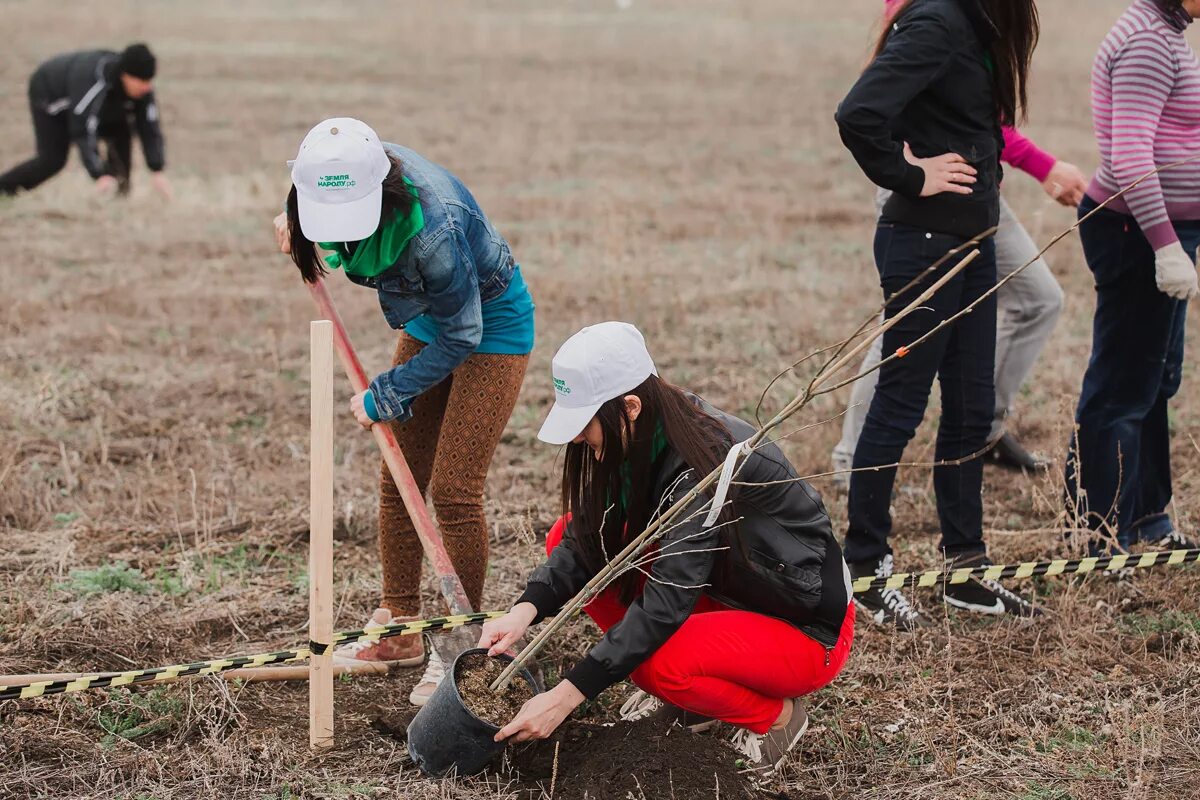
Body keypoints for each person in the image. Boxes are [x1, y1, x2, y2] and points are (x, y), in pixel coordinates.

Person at [477, 322, 854, 776]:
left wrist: (565, 697)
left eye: (584, 423)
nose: (577, 438)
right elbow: (585, 541)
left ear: (630, 406)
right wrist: (525, 610)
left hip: (800, 625)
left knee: (656, 664)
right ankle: (693, 699)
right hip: (726, 590)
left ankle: (777, 720)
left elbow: (665, 604)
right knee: (565, 534)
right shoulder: (638, 436)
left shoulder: (703, 463)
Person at [273, 118, 535, 706]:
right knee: (399, 474)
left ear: (380, 193)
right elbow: (326, 211)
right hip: (430, 321)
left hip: (489, 328)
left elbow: (462, 334)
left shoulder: (432, 232)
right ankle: (400, 629)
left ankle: (456, 646)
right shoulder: (337, 166)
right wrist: (301, 231)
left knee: (454, 489)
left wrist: (387, 393)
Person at [833, 0, 1042, 629]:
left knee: (972, 409)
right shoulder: (937, 20)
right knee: (900, 404)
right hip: (925, 244)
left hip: (972, 245)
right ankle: (865, 571)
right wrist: (910, 175)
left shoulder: (977, 26)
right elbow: (858, 112)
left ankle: (965, 573)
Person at [830, 2, 1088, 480]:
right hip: (928, 189)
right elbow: (874, 108)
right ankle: (852, 461)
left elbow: (978, 116)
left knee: (1039, 299)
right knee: (908, 326)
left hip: (979, 190)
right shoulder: (935, 16)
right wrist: (910, 174)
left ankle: (982, 433)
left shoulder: (987, 17)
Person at [1065, 0, 1200, 554]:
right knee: (1121, 388)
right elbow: (1130, 158)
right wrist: (1166, 246)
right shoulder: (1147, 40)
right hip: (1137, 234)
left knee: (1153, 381)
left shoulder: (1168, 30)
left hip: (1159, 231)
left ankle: (1146, 517)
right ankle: (1097, 532)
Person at [0, 44, 171, 198]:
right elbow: (82, 127)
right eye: (142, 81)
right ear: (125, 75)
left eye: (149, 81)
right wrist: (98, 173)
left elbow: (149, 126)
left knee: (121, 130)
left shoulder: (142, 88)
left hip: (86, 103)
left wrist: (157, 169)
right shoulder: (93, 82)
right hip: (50, 92)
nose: (147, 87)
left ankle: (119, 194)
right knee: (52, 160)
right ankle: (4, 189)